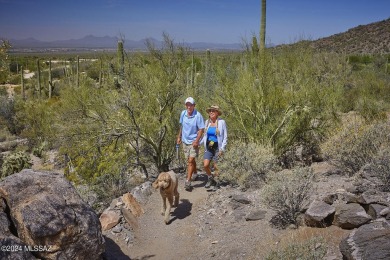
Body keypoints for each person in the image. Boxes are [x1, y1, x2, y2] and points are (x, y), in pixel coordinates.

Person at [176, 97, 205, 191]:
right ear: (185, 105)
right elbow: (181, 126)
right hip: (185, 140)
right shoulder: (183, 114)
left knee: (190, 160)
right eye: (187, 104)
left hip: (193, 141)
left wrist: (197, 140)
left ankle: (188, 181)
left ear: (194, 106)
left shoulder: (198, 115)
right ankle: (195, 173)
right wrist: (179, 137)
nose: (189, 106)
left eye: (191, 105)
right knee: (190, 160)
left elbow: (201, 129)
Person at [202, 105, 227, 191]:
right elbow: (205, 136)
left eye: (213, 111)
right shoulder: (207, 122)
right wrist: (199, 143)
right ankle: (210, 178)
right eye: (210, 111)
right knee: (205, 165)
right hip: (209, 146)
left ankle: (217, 182)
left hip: (217, 147)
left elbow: (225, 137)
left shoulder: (221, 122)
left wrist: (222, 149)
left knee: (216, 166)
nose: (211, 112)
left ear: (217, 113)